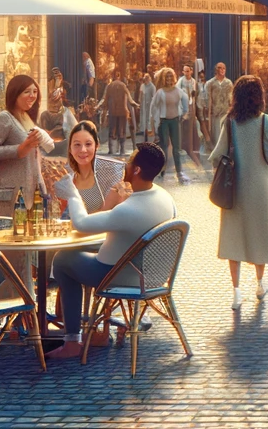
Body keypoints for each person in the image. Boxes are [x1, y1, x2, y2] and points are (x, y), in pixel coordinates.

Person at [49, 142, 175, 359]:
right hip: (152, 274)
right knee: (81, 251)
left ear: (136, 170)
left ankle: (72, 341)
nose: (125, 165)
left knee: (62, 259)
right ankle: (82, 329)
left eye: (129, 161)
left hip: (118, 275)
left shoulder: (129, 209)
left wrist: (71, 192)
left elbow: (81, 223)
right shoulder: (164, 197)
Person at [209, 75, 268, 309]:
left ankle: (235, 292)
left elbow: (218, 154)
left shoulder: (229, 121)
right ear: (259, 97)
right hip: (261, 189)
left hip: (234, 189)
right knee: (259, 237)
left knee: (234, 239)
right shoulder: (265, 122)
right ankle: (261, 284)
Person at [0, 74, 54, 218]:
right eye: (27, 91)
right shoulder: (6, 118)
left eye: (35, 91)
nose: (32, 96)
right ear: (15, 94)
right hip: (10, 198)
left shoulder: (27, 118)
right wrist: (18, 150)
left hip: (33, 194)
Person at [54, 121, 126, 215]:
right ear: (70, 148)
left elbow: (108, 215)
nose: (83, 150)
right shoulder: (63, 175)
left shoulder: (111, 172)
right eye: (77, 144)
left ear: (96, 145)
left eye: (88, 144)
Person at [149, 67, 191, 184]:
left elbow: (186, 99)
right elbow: (153, 107)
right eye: (166, 77)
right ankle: (161, 171)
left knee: (177, 148)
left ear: (173, 78)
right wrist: (152, 123)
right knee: (163, 147)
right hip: (164, 122)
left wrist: (185, 113)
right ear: (164, 78)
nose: (168, 79)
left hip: (175, 121)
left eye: (170, 76)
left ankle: (180, 173)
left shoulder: (178, 91)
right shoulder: (160, 92)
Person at [100, 77, 133, 157]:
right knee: (121, 130)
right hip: (120, 112)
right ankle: (121, 150)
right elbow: (128, 99)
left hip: (114, 111)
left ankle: (112, 150)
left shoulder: (110, 87)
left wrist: (104, 107)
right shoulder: (122, 87)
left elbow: (105, 99)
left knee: (113, 130)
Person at [176, 65, 200, 167]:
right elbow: (177, 92)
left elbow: (196, 95)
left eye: (188, 71)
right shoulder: (181, 81)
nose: (186, 73)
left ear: (191, 71)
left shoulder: (194, 81)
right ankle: (183, 147)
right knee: (184, 127)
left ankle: (191, 148)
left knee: (192, 127)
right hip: (183, 106)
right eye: (185, 71)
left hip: (192, 106)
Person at [206, 62, 234, 147]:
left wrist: (231, 112)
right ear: (216, 69)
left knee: (225, 138)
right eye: (219, 68)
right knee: (216, 138)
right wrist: (208, 116)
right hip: (215, 114)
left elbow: (231, 99)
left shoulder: (229, 83)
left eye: (223, 68)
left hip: (225, 114)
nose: (222, 70)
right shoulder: (210, 83)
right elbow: (208, 100)